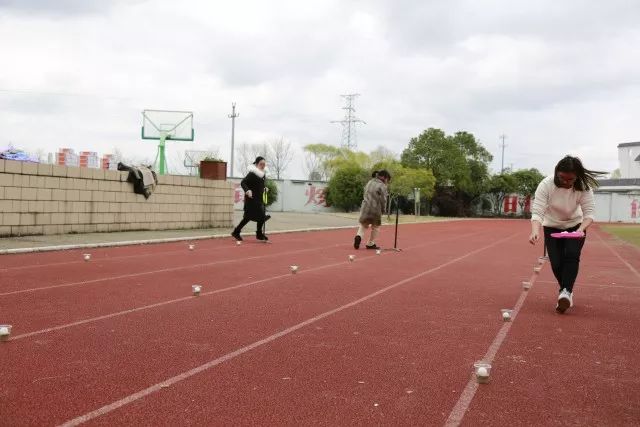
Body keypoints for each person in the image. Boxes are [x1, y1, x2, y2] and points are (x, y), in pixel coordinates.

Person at [529, 155, 604, 313]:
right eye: (562, 178)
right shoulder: (546, 184)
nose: (566, 182)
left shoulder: (583, 187)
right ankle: (566, 290)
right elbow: (537, 211)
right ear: (557, 172)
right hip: (551, 226)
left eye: (570, 180)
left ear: (576, 177)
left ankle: (566, 293)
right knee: (556, 263)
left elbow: (589, 213)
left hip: (575, 225)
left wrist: (580, 229)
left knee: (571, 254)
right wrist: (535, 231)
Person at [232, 156, 270, 241]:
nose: (263, 165)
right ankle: (236, 232)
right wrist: (247, 190)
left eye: (264, 164)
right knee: (248, 217)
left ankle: (258, 234)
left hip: (259, 199)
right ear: (256, 164)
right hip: (251, 199)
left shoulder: (263, 174)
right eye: (261, 164)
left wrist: (264, 188)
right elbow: (243, 182)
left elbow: (260, 185)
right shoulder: (252, 173)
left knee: (261, 216)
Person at [354, 170, 391, 250]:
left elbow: (365, 193)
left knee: (364, 225)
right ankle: (370, 243)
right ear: (384, 177)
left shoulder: (369, 182)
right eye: (387, 179)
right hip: (375, 209)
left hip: (365, 207)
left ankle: (358, 236)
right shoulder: (382, 186)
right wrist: (383, 209)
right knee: (376, 227)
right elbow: (383, 200)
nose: (387, 181)